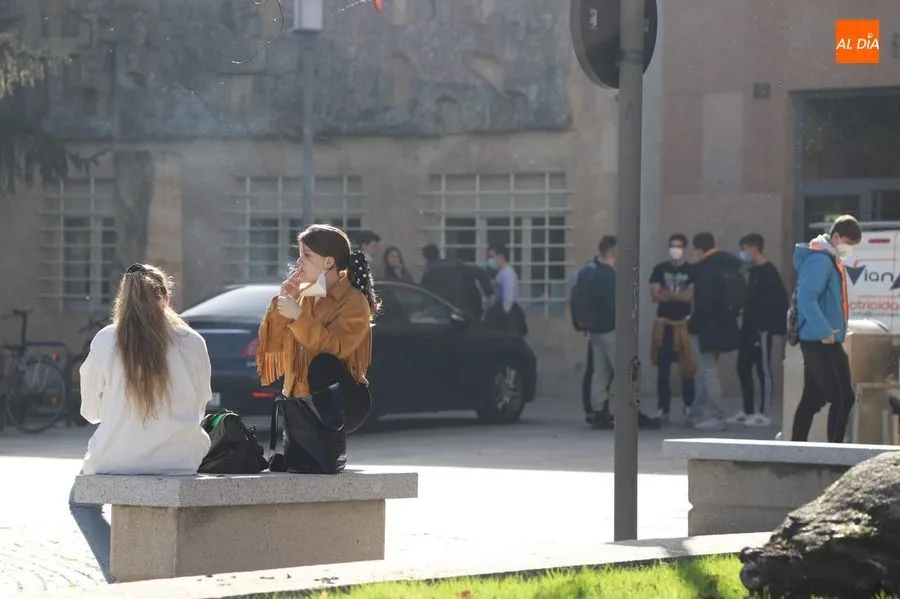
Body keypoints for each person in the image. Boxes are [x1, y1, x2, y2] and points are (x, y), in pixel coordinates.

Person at [69, 263, 213, 584]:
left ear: (123, 299)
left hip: (117, 459)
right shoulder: (192, 340)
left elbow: (90, 412)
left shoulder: (107, 340)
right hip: (181, 458)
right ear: (166, 299)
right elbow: (202, 401)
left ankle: (120, 579)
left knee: (80, 504)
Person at [257, 224, 378, 434]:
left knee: (319, 462)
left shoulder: (353, 302)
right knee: (296, 463)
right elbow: (273, 344)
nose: (299, 262)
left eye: (307, 256)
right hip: (296, 401)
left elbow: (336, 348)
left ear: (328, 262)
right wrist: (284, 299)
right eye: (300, 254)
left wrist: (299, 318)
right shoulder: (303, 295)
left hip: (334, 404)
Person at [791, 215, 861, 443]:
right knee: (843, 398)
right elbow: (806, 297)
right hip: (821, 340)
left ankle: (795, 449)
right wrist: (825, 332)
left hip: (820, 339)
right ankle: (834, 453)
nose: (849, 249)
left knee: (812, 398)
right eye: (848, 243)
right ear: (836, 237)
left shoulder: (827, 258)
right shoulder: (821, 260)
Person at [729, 233, 788, 427]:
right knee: (743, 366)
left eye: (745, 249)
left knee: (763, 370)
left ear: (754, 248)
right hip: (748, 328)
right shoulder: (752, 272)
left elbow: (777, 301)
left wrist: (770, 327)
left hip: (762, 330)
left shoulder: (768, 272)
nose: (744, 253)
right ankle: (747, 410)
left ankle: (765, 412)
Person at [687, 232, 743, 431]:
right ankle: (696, 413)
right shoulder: (731, 263)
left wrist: (692, 323)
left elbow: (703, 302)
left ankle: (717, 416)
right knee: (706, 371)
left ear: (699, 250)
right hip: (727, 324)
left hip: (707, 327)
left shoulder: (705, 268)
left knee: (708, 372)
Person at [648, 233, 696, 424]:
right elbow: (655, 296)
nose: (674, 249)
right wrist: (676, 295)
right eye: (671, 246)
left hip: (684, 324)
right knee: (663, 369)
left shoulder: (692, 270)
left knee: (687, 368)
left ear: (684, 248)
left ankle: (689, 406)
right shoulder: (660, 269)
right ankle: (663, 408)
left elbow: (689, 297)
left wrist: (665, 293)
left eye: (678, 246)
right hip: (664, 324)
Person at [419, 244, 495, 319]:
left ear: (425, 258)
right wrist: (489, 294)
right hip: (470, 309)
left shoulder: (429, 276)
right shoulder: (457, 265)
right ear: (439, 254)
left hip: (447, 315)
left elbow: (422, 295)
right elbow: (480, 273)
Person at [485, 243, 527, 337]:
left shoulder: (508, 273)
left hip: (507, 313)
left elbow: (509, 296)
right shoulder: (502, 272)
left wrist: (505, 315)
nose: (491, 260)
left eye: (492, 256)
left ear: (500, 256)